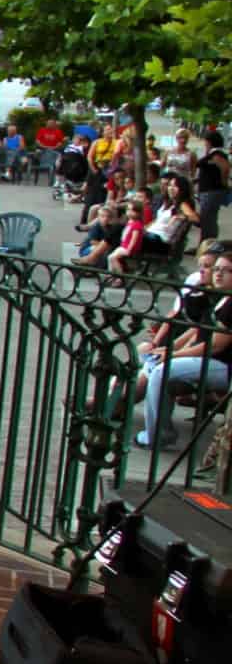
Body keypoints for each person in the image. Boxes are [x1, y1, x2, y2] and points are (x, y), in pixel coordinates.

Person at [135, 256, 232, 447]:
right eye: (217, 268)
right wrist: (167, 349)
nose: (218, 273)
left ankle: (155, 436)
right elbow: (196, 329)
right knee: (152, 360)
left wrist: (172, 355)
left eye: (226, 270)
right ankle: (162, 430)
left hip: (224, 367)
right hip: (207, 360)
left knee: (161, 371)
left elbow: (215, 346)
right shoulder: (218, 297)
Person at [197, 128, 229, 239]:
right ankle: (205, 243)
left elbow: (225, 168)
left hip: (211, 191)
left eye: (205, 140)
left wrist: (223, 182)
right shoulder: (213, 153)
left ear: (209, 141)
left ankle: (207, 243)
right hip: (209, 191)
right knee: (208, 218)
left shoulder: (216, 154)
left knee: (207, 219)